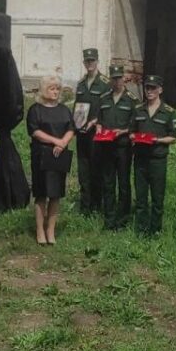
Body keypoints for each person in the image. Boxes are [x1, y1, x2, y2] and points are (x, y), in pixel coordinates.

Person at [26, 75, 75, 246]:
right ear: (43, 90)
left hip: (59, 155)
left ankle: (51, 230)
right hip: (41, 154)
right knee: (41, 194)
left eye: (57, 89)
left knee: (56, 194)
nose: (55, 92)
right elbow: (34, 131)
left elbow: (71, 128)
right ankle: (40, 230)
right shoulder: (35, 109)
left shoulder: (64, 109)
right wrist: (56, 141)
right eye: (52, 88)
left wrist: (63, 143)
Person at [132, 75, 176, 235]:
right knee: (141, 196)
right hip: (140, 159)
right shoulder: (138, 109)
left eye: (153, 88)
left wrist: (157, 140)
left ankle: (155, 230)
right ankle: (141, 229)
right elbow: (132, 131)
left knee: (157, 197)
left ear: (160, 90)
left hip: (158, 159)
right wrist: (134, 137)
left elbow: (174, 136)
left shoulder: (168, 112)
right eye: (147, 87)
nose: (149, 91)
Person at [97, 65, 138, 230]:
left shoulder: (131, 100)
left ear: (124, 78)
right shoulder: (104, 98)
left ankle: (123, 218)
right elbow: (99, 119)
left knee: (123, 182)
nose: (116, 81)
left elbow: (136, 125)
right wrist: (99, 128)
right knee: (107, 182)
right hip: (106, 145)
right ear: (110, 79)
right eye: (113, 78)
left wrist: (123, 131)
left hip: (123, 147)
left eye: (119, 78)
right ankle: (109, 217)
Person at [73, 48, 110, 216]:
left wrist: (95, 121)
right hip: (82, 132)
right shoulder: (81, 83)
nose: (89, 63)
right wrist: (75, 125)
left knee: (96, 167)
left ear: (97, 61)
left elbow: (108, 107)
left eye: (92, 60)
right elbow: (78, 107)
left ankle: (96, 205)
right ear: (84, 62)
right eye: (87, 61)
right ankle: (85, 206)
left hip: (97, 132)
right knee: (83, 168)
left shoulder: (105, 83)